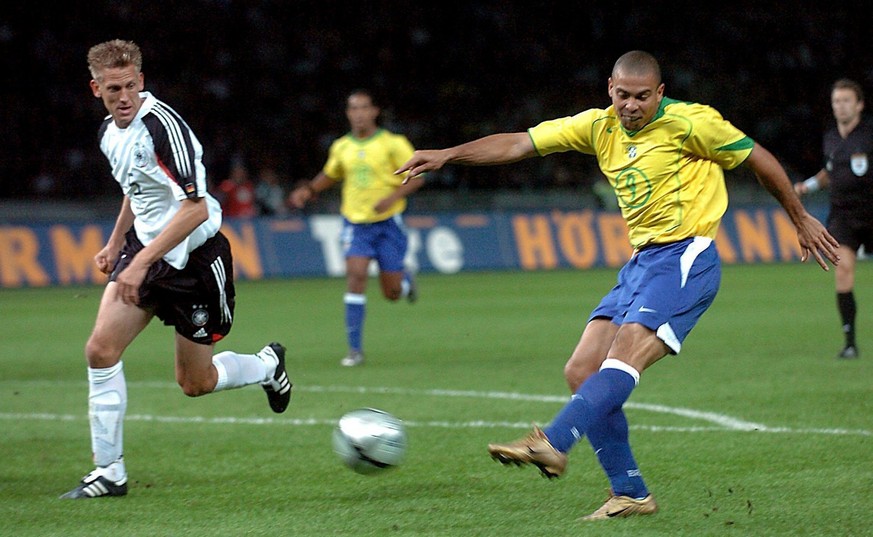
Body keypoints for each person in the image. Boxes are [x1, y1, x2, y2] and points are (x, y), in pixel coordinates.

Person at [397, 50, 840, 521]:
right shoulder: (597, 126)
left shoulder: (692, 123)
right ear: (610, 87)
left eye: (642, 97)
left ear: (660, 94)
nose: (631, 106)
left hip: (686, 256)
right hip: (641, 264)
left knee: (624, 352)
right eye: (623, 95)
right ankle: (629, 493)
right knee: (582, 369)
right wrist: (449, 154)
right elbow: (519, 144)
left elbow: (761, 159)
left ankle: (551, 441)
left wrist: (800, 218)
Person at [61, 39, 292, 500]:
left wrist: (140, 262)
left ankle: (267, 365)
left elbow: (195, 209)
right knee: (100, 351)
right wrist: (114, 244)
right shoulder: (110, 133)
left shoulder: (164, 128)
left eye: (129, 86)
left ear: (141, 81)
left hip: (196, 264)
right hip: (144, 255)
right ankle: (109, 472)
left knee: (195, 383)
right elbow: (137, 187)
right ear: (95, 89)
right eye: (112, 89)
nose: (123, 97)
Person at [289, 89, 424, 367]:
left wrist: (392, 197)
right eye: (353, 108)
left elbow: (417, 176)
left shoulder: (393, 143)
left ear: (375, 111)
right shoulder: (341, 147)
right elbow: (331, 174)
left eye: (364, 107)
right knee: (356, 275)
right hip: (356, 224)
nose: (359, 113)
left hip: (388, 225)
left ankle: (405, 280)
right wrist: (309, 189)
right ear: (348, 113)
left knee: (392, 293)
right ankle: (355, 350)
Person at [794, 78, 873, 359]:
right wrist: (808, 186)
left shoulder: (868, 134)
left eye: (846, 100)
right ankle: (850, 342)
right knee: (842, 270)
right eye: (836, 101)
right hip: (844, 215)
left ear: (859, 104)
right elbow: (829, 172)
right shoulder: (831, 138)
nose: (840, 106)